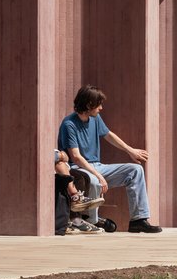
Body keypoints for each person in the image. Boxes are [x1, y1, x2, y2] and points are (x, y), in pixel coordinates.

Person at [58, 84, 162, 234]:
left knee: (135, 170)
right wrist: (99, 175)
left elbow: (108, 135)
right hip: (77, 168)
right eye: (99, 104)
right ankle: (91, 221)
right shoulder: (69, 124)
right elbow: (76, 157)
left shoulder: (95, 118)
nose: (101, 108)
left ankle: (138, 220)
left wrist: (130, 150)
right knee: (93, 180)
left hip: (98, 166)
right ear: (89, 104)